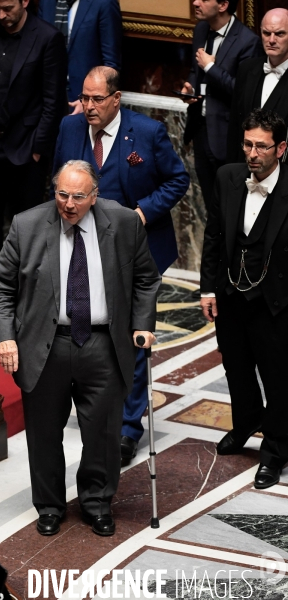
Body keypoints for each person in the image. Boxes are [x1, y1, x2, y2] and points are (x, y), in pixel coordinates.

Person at [0, 160, 160, 536]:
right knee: (45, 432)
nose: (68, 204)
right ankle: (49, 506)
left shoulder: (124, 223)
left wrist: (142, 325)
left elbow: (147, 278)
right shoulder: (27, 225)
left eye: (78, 197)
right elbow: (0, 289)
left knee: (102, 432)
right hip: (44, 346)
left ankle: (97, 503)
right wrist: (6, 336)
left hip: (102, 343)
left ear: (94, 196)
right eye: (62, 194)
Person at [53, 66, 189, 460]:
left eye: (97, 99)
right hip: (80, 249)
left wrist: (144, 213)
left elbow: (177, 180)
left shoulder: (146, 133)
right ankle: (97, 410)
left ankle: (129, 428)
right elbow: (58, 180)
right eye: (84, 98)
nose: (89, 107)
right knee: (91, 327)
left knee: (132, 334)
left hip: (135, 250)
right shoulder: (69, 129)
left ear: (116, 98)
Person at [200, 108, 288, 490]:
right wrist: (207, 287)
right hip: (231, 293)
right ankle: (246, 421)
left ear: (281, 148)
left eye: (262, 147)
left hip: (276, 301)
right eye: (248, 144)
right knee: (236, 368)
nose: (252, 153)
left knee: (279, 378)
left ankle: (274, 452)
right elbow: (214, 235)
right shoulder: (228, 177)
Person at [0, 0, 68, 245]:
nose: (1, 14)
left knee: (25, 233)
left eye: (8, 8)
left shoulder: (47, 37)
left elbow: (53, 101)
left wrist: (37, 149)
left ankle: (21, 284)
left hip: (24, 149)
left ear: (24, 2)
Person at [181, 0, 263, 211]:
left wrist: (210, 66)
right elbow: (195, 70)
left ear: (223, 5)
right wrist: (190, 89)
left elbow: (244, 91)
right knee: (211, 207)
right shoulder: (200, 29)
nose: (195, 2)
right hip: (200, 130)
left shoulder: (248, 41)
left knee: (231, 207)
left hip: (227, 137)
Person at [37, 0, 122, 114]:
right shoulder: (46, 3)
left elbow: (111, 64)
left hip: (83, 101)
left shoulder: (105, 3)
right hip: (46, 101)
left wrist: (90, 101)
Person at [227, 8, 288, 163]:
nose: (272, 40)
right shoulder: (246, 69)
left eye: (280, 34)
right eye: (266, 33)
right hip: (245, 168)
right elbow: (235, 126)